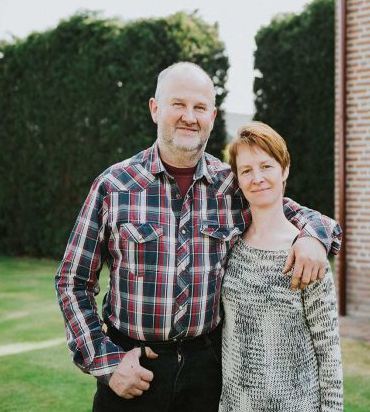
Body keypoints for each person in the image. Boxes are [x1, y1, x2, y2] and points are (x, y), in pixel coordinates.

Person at [55, 61, 341, 412]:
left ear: (212, 116)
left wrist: (313, 238)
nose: (189, 116)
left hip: (207, 375)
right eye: (178, 104)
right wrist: (106, 361)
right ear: (155, 108)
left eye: (200, 107)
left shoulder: (232, 185)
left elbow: (296, 213)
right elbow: (73, 280)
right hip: (134, 370)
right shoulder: (114, 186)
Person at [219, 122, 343, 412]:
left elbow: (328, 350)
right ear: (238, 179)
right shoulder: (230, 246)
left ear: (284, 169)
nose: (257, 178)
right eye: (246, 170)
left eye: (266, 166)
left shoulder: (307, 254)